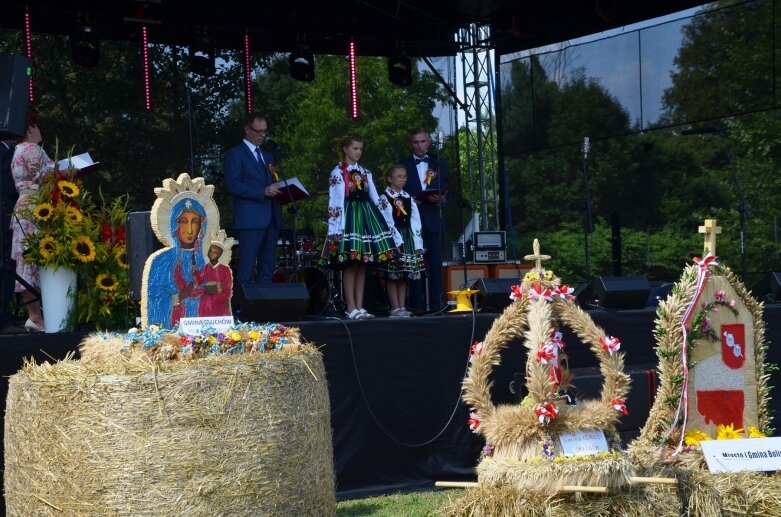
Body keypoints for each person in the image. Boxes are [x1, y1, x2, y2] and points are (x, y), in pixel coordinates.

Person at [321, 135, 401, 320]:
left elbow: (375, 197)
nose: (358, 152)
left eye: (360, 149)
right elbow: (336, 200)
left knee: (363, 264)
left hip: (366, 218)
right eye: (355, 148)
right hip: (349, 219)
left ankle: (360, 305)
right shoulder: (338, 172)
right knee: (351, 263)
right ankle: (351, 306)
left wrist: (387, 223)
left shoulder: (366, 172)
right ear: (346, 150)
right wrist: (334, 229)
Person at [224, 113, 282, 286]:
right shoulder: (236, 154)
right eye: (258, 131)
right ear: (247, 130)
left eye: (264, 132)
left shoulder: (267, 155)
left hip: (271, 217)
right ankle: (244, 308)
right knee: (247, 266)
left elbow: (272, 181)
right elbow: (233, 185)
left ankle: (263, 307)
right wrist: (262, 191)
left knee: (267, 266)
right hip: (250, 219)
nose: (262, 135)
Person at [10, 109, 52, 332]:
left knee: (26, 261)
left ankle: (33, 315)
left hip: (23, 207)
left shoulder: (17, 150)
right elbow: (47, 176)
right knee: (35, 260)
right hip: (36, 206)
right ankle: (36, 316)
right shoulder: (32, 149)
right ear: (31, 128)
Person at [401, 128, 449, 313]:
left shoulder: (438, 163)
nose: (419, 145)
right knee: (415, 262)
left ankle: (437, 303)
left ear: (428, 142)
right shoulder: (403, 165)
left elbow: (447, 188)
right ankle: (417, 304)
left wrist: (443, 199)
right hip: (413, 221)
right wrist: (410, 200)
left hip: (434, 217)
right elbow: (397, 192)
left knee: (436, 262)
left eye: (423, 141)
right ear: (410, 144)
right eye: (415, 142)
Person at [144, 198, 208, 327]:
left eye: (195, 222)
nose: (189, 230)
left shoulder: (206, 259)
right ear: (174, 225)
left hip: (203, 327)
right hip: (173, 329)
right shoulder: (161, 261)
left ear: (201, 226)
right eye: (183, 221)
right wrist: (182, 295)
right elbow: (156, 300)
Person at [376, 164, 425, 318]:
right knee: (392, 274)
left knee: (404, 274)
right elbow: (387, 221)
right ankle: (394, 307)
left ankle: (402, 306)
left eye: (404, 176)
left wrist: (418, 244)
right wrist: (396, 240)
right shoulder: (385, 197)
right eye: (399, 176)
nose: (402, 179)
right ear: (390, 179)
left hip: (408, 237)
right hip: (393, 238)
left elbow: (416, 222)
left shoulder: (408, 197)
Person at [196, 241, 233, 317]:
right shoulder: (204, 268)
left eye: (215, 252)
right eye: (210, 251)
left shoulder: (225, 270)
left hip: (220, 304)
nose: (211, 253)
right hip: (206, 304)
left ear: (220, 255)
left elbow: (227, 289)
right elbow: (198, 284)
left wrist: (216, 298)